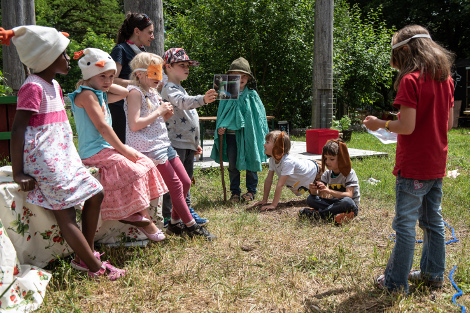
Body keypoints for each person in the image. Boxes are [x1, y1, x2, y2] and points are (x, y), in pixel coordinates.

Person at [2, 26, 125, 280]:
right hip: (45, 160)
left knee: (96, 192)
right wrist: (18, 172)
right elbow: (17, 130)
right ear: (47, 57)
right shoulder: (32, 87)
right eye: (64, 54)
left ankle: (85, 255)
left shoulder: (54, 85)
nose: (69, 58)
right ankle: (95, 268)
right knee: (66, 213)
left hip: (64, 156)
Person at [363, 25, 455, 293]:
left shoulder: (410, 80)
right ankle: (433, 273)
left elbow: (407, 127)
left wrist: (380, 123)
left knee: (404, 226)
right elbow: (448, 124)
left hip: (413, 166)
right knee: (432, 221)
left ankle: (394, 283)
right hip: (436, 164)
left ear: (405, 51)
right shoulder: (445, 80)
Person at [69, 48, 168, 242]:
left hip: (106, 148)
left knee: (146, 164)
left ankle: (141, 215)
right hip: (94, 151)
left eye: (111, 76)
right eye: (103, 76)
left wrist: (103, 82)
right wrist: (124, 149)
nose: (108, 81)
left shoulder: (99, 94)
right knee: (132, 169)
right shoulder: (87, 95)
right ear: (89, 76)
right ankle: (131, 215)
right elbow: (103, 127)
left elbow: (124, 92)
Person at [125, 52, 216, 241]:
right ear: (140, 74)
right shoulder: (135, 92)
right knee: (175, 185)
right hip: (150, 148)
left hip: (164, 143)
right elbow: (134, 124)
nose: (159, 78)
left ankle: (174, 223)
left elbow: (155, 121)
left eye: (159, 73)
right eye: (154, 73)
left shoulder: (153, 92)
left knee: (186, 182)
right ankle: (191, 226)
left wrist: (164, 115)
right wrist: (159, 111)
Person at [161, 48, 218, 227]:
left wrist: (195, 143)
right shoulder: (169, 88)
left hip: (186, 143)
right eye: (182, 65)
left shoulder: (180, 88)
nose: (187, 68)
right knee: (175, 183)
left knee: (186, 181)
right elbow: (183, 103)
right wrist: (203, 99)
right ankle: (169, 217)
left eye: (188, 65)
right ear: (168, 67)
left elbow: (189, 118)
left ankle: (185, 210)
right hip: (175, 143)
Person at [211, 57, 269, 203]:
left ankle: (251, 191)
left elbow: (258, 117)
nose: (241, 78)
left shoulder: (252, 95)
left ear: (248, 78)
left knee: (251, 162)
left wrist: (260, 133)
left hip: (249, 135)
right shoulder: (227, 92)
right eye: (237, 75)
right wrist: (221, 126)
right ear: (230, 77)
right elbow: (222, 113)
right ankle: (235, 192)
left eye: (244, 75)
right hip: (231, 135)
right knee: (232, 165)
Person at [109, 12, 155, 143]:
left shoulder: (143, 52)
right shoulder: (120, 49)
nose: (153, 36)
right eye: (150, 32)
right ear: (137, 31)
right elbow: (111, 80)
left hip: (139, 108)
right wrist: (138, 83)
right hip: (121, 109)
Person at [254, 131, 320, 211]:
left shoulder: (287, 162)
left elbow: (280, 185)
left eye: (267, 142)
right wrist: (264, 200)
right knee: (315, 196)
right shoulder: (272, 159)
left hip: (317, 170)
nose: (264, 145)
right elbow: (269, 180)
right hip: (306, 172)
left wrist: (273, 205)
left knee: (323, 198)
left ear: (277, 146)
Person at [299, 140, 360, 225]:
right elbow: (319, 193)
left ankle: (319, 214)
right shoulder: (327, 174)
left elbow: (349, 195)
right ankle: (334, 215)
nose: (327, 162)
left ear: (341, 158)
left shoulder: (349, 173)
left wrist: (329, 191)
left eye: (331, 159)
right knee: (310, 199)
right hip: (333, 204)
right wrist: (314, 191)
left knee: (347, 201)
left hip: (349, 205)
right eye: (325, 158)